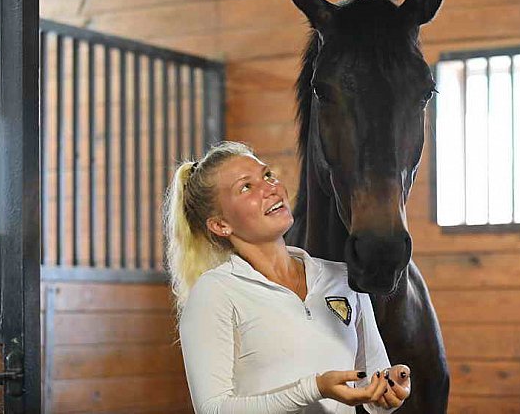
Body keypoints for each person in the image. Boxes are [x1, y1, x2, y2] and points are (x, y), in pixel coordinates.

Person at [164, 141, 411, 413]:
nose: (270, 188)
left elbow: (372, 388)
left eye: (267, 175)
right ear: (221, 225)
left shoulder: (341, 278)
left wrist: (387, 391)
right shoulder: (214, 292)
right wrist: (313, 388)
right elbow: (213, 409)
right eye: (246, 187)